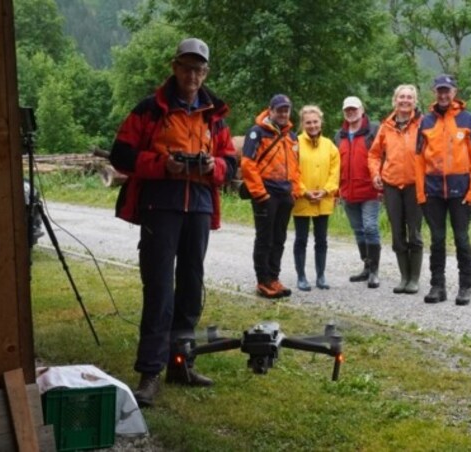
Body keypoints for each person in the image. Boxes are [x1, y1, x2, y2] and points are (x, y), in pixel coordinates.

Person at [109, 38, 238, 407]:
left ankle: (182, 364)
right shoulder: (151, 109)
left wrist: (216, 166)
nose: (192, 75)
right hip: (159, 205)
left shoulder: (215, 114)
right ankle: (150, 372)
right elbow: (121, 153)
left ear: (206, 72)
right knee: (159, 290)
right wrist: (163, 165)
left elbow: (232, 162)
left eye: (199, 69)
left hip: (198, 205)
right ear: (175, 67)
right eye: (186, 67)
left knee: (191, 287)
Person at [415, 74, 471, 306]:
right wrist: (420, 192)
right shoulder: (425, 122)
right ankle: (437, 286)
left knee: (462, 239)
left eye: (447, 91)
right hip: (433, 191)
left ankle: (465, 286)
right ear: (434, 92)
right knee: (437, 239)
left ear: (454, 92)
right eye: (439, 91)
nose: (443, 95)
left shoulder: (468, 119)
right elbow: (418, 160)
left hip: (460, 191)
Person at [241, 94, 303, 299]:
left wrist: (294, 191)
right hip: (266, 194)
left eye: (286, 110)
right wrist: (260, 194)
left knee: (279, 239)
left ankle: (274, 278)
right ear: (270, 110)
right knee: (264, 239)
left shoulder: (292, 136)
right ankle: (263, 281)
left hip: (285, 194)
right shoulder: (256, 133)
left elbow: (296, 167)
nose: (284, 114)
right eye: (280, 110)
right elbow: (248, 165)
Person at [368, 85, 424, 295]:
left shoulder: (423, 124)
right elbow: (373, 154)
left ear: (415, 101)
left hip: (415, 184)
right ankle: (404, 277)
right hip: (391, 185)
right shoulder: (386, 126)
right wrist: (376, 174)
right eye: (401, 97)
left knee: (415, 232)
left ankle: (414, 279)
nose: (405, 100)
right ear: (395, 100)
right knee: (397, 233)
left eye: (409, 97)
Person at [292, 106, 341, 291]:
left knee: (321, 239)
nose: (312, 125)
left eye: (315, 122)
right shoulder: (295, 144)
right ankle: (301, 276)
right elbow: (292, 172)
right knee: (301, 238)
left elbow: (334, 172)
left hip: (323, 199)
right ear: (302, 124)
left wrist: (327, 190)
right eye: (308, 122)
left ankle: (321, 276)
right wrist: (304, 191)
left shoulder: (330, 145)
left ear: (321, 122)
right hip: (302, 199)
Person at [335, 96, 382, 288]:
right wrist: (337, 190)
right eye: (347, 110)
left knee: (370, 227)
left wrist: (381, 180)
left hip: (370, 190)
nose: (351, 112)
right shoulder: (340, 136)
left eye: (354, 109)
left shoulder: (374, 131)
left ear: (362, 110)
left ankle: (374, 272)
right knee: (358, 231)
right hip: (348, 191)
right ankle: (366, 267)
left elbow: (381, 156)